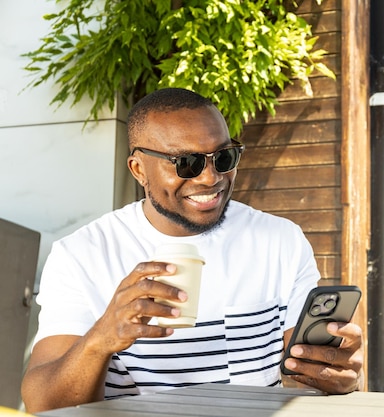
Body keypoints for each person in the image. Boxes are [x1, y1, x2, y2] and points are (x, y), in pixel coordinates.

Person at [21, 88, 363, 413]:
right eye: (187, 163)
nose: (210, 178)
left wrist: (337, 373)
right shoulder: (82, 255)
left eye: (224, 157)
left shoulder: (280, 240)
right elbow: (44, 404)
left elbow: (308, 371)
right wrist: (101, 339)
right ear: (139, 169)